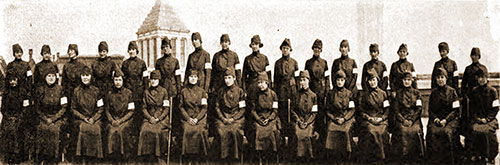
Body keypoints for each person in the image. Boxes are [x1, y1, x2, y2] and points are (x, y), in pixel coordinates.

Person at [426, 67, 461, 164]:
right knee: (432, 132)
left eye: (442, 77)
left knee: (446, 132)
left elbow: (456, 110)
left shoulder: (452, 92)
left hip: (450, 120)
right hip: (437, 120)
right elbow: (430, 110)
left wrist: (446, 120)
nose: (440, 80)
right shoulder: (433, 93)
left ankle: (449, 161)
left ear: (446, 78)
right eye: (438, 78)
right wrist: (436, 119)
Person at [70, 66, 104, 163]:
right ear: (80, 77)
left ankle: (94, 159)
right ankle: (82, 158)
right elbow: (73, 109)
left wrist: (94, 118)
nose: (85, 78)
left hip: (95, 119)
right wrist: (83, 118)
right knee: (83, 128)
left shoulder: (96, 91)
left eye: (87, 75)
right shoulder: (76, 91)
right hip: (80, 119)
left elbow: (101, 108)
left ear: (91, 77)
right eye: (83, 75)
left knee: (96, 128)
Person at [6, 44, 33, 162]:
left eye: (20, 52)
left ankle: (23, 155)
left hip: (23, 95)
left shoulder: (26, 65)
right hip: (12, 94)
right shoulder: (10, 65)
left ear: (22, 53)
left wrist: (27, 93)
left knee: (23, 127)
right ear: (13, 54)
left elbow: (30, 80)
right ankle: (9, 155)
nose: (18, 54)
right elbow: (7, 80)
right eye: (16, 52)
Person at [460, 47, 488, 161]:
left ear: (479, 56)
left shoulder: (483, 68)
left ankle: (481, 151)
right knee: (468, 123)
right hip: (470, 100)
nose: (474, 57)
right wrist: (465, 96)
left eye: (476, 55)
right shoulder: (468, 69)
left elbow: (487, 85)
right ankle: (469, 151)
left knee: (480, 126)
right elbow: (463, 85)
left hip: (480, 99)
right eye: (472, 55)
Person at [34, 66, 66, 164]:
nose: (51, 78)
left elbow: (64, 107)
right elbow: (37, 107)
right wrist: (44, 118)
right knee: (42, 128)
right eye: (49, 76)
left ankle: (53, 158)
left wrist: (54, 118)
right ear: (45, 77)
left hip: (56, 118)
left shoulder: (60, 89)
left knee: (54, 130)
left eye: (53, 76)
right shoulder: (40, 90)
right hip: (44, 117)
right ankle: (42, 157)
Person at [273, 38, 298, 161]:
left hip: (292, 92)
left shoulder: (295, 62)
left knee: (291, 116)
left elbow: (297, 79)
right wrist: (277, 95)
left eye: (287, 48)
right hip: (281, 92)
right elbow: (275, 80)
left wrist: (295, 91)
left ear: (290, 50)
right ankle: (282, 141)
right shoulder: (277, 63)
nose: (285, 50)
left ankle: (292, 142)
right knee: (282, 116)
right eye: (283, 48)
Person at [357, 70, 390, 163]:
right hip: (368, 119)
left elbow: (387, 109)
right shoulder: (364, 94)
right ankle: (370, 156)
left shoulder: (383, 93)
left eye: (374, 80)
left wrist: (382, 118)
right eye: (370, 81)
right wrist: (369, 118)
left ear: (377, 81)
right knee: (370, 130)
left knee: (382, 131)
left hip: (381, 119)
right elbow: (361, 110)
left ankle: (382, 156)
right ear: (367, 81)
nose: (372, 83)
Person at [391, 72, 424, 163]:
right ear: (402, 81)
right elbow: (396, 110)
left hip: (414, 118)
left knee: (416, 130)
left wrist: (412, 120)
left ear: (411, 81)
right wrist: (403, 120)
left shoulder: (417, 93)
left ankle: (416, 157)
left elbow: (419, 109)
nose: (407, 82)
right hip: (401, 118)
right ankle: (403, 157)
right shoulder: (398, 93)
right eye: (405, 80)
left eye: (408, 80)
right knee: (402, 131)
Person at [137, 70, 170, 163]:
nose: (153, 81)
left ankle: (159, 156)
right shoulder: (146, 92)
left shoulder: (164, 91)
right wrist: (149, 117)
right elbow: (143, 108)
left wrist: (158, 118)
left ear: (159, 80)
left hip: (161, 117)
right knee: (144, 130)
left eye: (155, 79)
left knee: (157, 131)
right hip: (149, 117)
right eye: (152, 79)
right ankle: (147, 156)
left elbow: (166, 108)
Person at [214, 67, 246, 162]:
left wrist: (234, 118)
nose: (227, 80)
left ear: (234, 78)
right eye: (225, 78)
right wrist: (222, 118)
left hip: (237, 118)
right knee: (221, 130)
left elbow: (242, 109)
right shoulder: (221, 91)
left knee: (235, 130)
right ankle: (224, 157)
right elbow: (217, 107)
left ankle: (235, 157)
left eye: (229, 78)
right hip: (223, 117)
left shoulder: (240, 91)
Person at [122, 41, 148, 156]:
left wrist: (145, 93)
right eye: (130, 49)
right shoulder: (124, 63)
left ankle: (138, 148)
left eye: (133, 49)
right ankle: (128, 147)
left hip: (139, 94)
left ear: (137, 50)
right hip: (128, 95)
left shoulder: (142, 63)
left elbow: (146, 80)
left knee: (138, 119)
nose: (131, 51)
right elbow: (122, 79)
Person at [304, 39, 329, 156]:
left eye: (318, 49)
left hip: (321, 93)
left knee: (321, 117)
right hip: (311, 93)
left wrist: (327, 92)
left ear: (321, 50)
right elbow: (306, 78)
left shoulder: (324, 63)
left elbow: (327, 78)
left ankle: (322, 145)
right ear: (312, 49)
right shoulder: (308, 62)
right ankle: (311, 144)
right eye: (315, 49)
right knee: (311, 116)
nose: (316, 51)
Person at [467, 69, 498, 164]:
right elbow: (471, 109)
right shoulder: (474, 91)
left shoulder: (493, 91)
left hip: (490, 119)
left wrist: (487, 119)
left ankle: (489, 156)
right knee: (475, 130)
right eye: (479, 77)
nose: (481, 79)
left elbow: (495, 108)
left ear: (487, 78)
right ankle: (476, 154)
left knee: (487, 132)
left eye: (483, 77)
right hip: (477, 119)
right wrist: (478, 119)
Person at [324, 70, 356, 163]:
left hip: (347, 118)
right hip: (335, 118)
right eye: (338, 80)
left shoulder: (349, 93)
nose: (339, 82)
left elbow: (352, 109)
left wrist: (344, 118)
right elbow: (327, 110)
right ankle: (333, 155)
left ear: (345, 81)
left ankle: (346, 155)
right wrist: (334, 118)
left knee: (345, 130)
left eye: (342, 80)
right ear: (335, 81)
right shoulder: (331, 93)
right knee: (331, 129)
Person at [104, 70, 135, 163]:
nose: (118, 82)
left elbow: (131, 111)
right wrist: (112, 120)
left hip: (126, 120)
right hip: (113, 119)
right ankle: (113, 156)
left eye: (120, 80)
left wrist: (121, 121)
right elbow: (107, 110)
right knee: (111, 130)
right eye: (116, 80)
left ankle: (124, 156)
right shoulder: (109, 94)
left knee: (121, 131)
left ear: (123, 81)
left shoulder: (129, 93)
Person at [179, 69, 209, 163]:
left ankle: (199, 157)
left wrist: (197, 118)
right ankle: (188, 157)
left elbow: (204, 108)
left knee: (199, 131)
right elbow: (181, 107)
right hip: (187, 118)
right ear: (188, 78)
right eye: (191, 77)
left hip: (199, 118)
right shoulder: (183, 91)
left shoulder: (202, 92)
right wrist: (188, 118)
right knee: (186, 130)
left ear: (197, 78)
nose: (193, 79)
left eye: (195, 77)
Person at [0, 70, 30, 164]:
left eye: (14, 80)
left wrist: (18, 118)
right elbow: (3, 108)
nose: (12, 82)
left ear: (17, 80)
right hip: (8, 117)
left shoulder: (23, 92)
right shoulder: (6, 93)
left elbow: (25, 109)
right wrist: (8, 117)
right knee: (5, 132)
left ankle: (17, 157)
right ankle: (7, 156)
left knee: (17, 132)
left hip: (20, 117)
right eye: (10, 80)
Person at [250, 72, 280, 164]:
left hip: (271, 118)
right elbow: (253, 110)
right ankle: (260, 156)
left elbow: (275, 110)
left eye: (262, 82)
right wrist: (258, 119)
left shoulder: (273, 94)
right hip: (259, 118)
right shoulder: (255, 94)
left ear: (267, 83)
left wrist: (269, 119)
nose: (260, 85)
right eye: (259, 83)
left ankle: (270, 156)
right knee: (258, 130)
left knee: (272, 130)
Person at [291, 70, 318, 162]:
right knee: (298, 133)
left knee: (308, 134)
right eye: (300, 80)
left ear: (308, 81)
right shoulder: (295, 95)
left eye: (304, 80)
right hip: (298, 120)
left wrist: (308, 122)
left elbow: (314, 113)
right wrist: (298, 120)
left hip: (309, 121)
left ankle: (309, 157)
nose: (302, 82)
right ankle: (299, 157)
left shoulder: (313, 96)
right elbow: (293, 110)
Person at [243, 35, 272, 106]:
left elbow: (268, 75)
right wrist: (244, 90)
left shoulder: (264, 58)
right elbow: (244, 76)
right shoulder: (247, 59)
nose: (254, 46)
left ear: (259, 45)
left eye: (256, 44)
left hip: (262, 86)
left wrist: (269, 88)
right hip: (251, 86)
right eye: (253, 44)